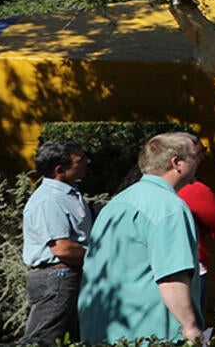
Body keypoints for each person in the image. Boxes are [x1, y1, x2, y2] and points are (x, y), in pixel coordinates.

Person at [77, 132, 207, 344]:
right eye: (197, 156)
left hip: (103, 331)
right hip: (150, 334)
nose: (199, 162)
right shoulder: (169, 207)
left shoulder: (117, 202)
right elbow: (171, 277)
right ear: (176, 163)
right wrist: (190, 327)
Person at [20, 139, 93, 344]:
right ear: (60, 170)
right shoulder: (49, 200)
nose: (87, 161)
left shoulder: (69, 194)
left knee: (68, 339)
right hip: (57, 278)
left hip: (67, 276)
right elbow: (63, 249)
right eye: (80, 159)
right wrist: (100, 259)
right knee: (43, 340)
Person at [176, 177, 215, 327]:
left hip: (143, 275)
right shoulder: (191, 189)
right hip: (190, 271)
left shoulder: (132, 194)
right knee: (190, 330)